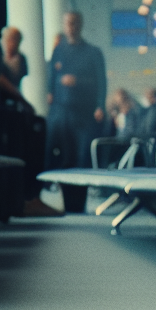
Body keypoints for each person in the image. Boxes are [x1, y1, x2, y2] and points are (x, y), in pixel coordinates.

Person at [46, 11, 106, 212]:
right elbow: (51, 80)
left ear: (80, 25)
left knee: (81, 158)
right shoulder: (58, 51)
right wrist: (50, 96)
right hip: (62, 113)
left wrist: (99, 105)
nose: (71, 26)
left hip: (84, 113)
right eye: (68, 23)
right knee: (64, 157)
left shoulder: (93, 53)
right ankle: (68, 203)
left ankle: (79, 204)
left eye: (74, 23)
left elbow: (101, 82)